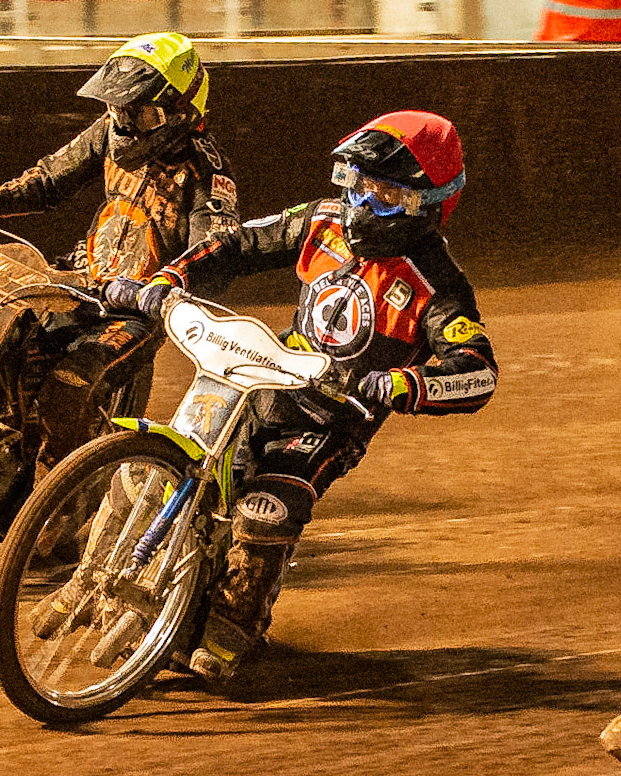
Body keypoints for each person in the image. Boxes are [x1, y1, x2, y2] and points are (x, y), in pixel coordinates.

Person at [106, 110, 498, 684]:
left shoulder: (439, 283)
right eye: (358, 185)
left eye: (385, 196)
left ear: (428, 205)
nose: (363, 206)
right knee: (160, 467)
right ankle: (92, 578)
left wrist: (403, 383)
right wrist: (170, 279)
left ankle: (235, 622)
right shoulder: (322, 220)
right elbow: (236, 243)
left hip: (334, 418)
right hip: (267, 380)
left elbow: (478, 370)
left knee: (269, 509)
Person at [0, 31, 239, 470]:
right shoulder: (108, 130)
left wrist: (161, 288)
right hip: (79, 278)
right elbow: (50, 178)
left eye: (138, 114)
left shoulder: (207, 173)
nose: (123, 123)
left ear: (180, 112)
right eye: (117, 109)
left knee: (68, 388)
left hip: (136, 309)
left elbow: (214, 255)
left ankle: (58, 510)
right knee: (1, 344)